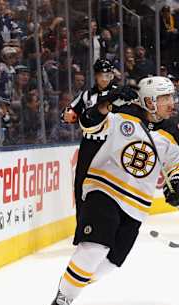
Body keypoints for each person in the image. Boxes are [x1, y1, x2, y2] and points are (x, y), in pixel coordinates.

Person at [50, 76, 179, 305]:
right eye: (164, 98)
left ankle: (77, 280)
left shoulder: (174, 130)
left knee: (113, 262)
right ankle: (65, 296)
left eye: (171, 97)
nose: (171, 102)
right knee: (95, 247)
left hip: (137, 203)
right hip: (103, 188)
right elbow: (88, 124)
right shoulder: (122, 113)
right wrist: (107, 102)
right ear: (149, 100)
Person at [62, 59, 122, 222]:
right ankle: (81, 224)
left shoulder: (119, 93)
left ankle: (112, 222)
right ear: (96, 76)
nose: (105, 79)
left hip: (111, 145)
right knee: (81, 183)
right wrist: (68, 116)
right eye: (102, 75)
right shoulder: (87, 95)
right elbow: (69, 111)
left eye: (109, 75)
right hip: (89, 144)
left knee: (112, 184)